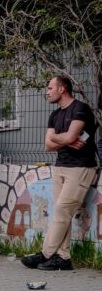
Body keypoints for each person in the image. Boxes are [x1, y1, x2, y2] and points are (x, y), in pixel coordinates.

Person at [22, 75, 98, 272]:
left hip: (80, 168)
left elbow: (70, 136)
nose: (47, 92)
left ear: (62, 89)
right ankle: (63, 258)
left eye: (50, 88)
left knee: (63, 211)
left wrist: (59, 138)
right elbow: (47, 146)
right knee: (60, 214)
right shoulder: (54, 115)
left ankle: (45, 253)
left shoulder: (80, 109)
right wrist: (65, 140)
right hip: (60, 166)